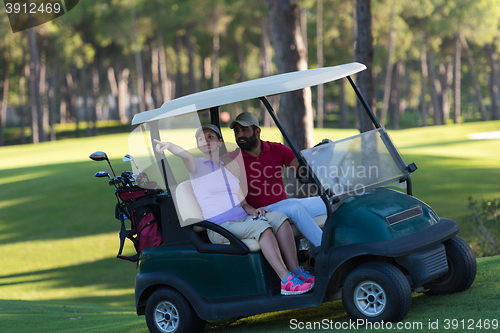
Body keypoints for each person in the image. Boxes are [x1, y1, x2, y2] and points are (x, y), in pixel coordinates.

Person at [154, 124, 314, 295]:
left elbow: (243, 204)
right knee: (262, 228)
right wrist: (169, 146)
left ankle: (296, 271)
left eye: (210, 137)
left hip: (242, 220)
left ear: (220, 142)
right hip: (221, 227)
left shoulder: (228, 169)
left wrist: (254, 211)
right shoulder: (197, 167)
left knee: (280, 218)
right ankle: (286, 281)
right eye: (201, 139)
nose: (205, 141)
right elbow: (184, 155)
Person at [227, 112, 326, 248]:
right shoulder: (232, 159)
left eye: (244, 130)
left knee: (329, 200)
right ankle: (326, 249)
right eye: (236, 131)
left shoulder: (278, 149)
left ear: (257, 131)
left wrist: (319, 157)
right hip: (261, 212)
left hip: (284, 204)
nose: (239, 135)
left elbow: (302, 171)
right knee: (296, 208)